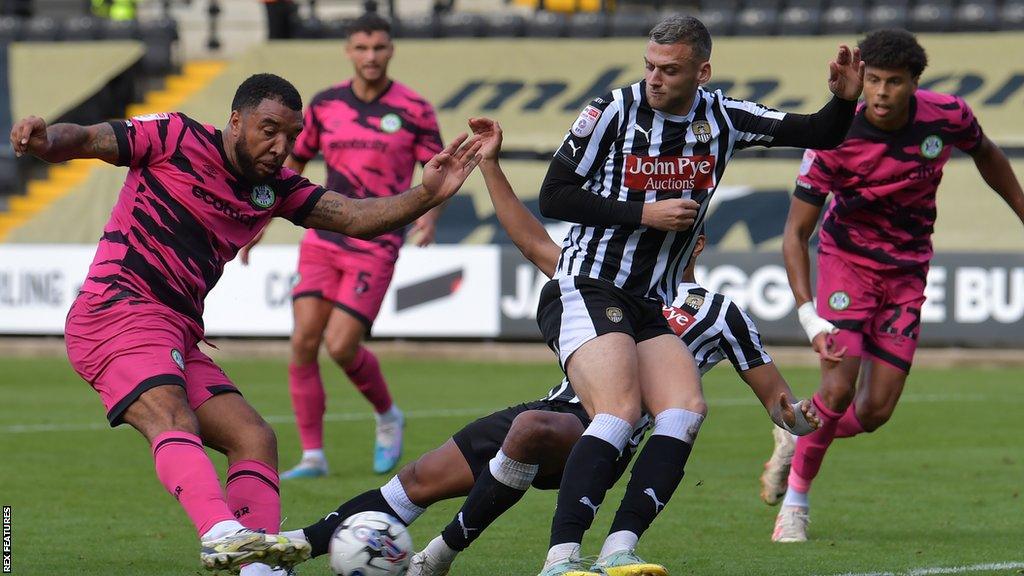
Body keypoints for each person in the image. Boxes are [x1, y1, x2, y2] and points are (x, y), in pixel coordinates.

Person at [279, 116, 819, 576]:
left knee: (531, 429)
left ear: (695, 239)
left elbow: (779, 402)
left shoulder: (720, 312)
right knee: (419, 479)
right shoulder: (600, 278)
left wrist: (803, 416)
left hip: (607, 430)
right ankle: (293, 546)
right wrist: (490, 164)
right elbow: (530, 237)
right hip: (558, 403)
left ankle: (472, 556)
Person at [9, 73, 481, 574]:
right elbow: (87, 139)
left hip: (176, 328)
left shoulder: (273, 189)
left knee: (254, 438)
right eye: (269, 130)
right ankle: (220, 532)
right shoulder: (175, 136)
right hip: (116, 309)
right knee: (172, 417)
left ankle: (257, 565)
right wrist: (46, 140)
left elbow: (357, 217)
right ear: (235, 121)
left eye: (291, 137)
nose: (281, 147)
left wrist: (427, 194)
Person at [532, 13, 863, 575]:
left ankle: (619, 551)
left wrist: (844, 101)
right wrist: (644, 213)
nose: (655, 79)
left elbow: (818, 132)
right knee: (619, 412)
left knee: (685, 411)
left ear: (702, 71)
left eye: (670, 69)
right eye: (650, 66)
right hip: (588, 284)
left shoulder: (724, 117)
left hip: (649, 301)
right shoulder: (611, 111)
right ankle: (561, 559)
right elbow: (554, 196)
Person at [762, 29, 1024, 543]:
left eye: (894, 82)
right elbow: (795, 234)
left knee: (875, 411)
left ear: (914, 83)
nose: (881, 92)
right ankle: (795, 500)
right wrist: (808, 313)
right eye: (874, 80)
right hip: (846, 266)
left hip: (907, 273)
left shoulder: (947, 116)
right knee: (838, 388)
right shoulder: (835, 135)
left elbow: (989, 154)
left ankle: (799, 431)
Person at [240, 13, 444, 478]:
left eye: (378, 48)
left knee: (341, 345)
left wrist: (428, 219)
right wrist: (261, 219)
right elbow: (285, 162)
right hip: (324, 236)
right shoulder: (325, 104)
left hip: (376, 240)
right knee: (303, 342)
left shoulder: (413, 108)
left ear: (390, 50)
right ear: (348, 51)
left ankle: (389, 416)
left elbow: (438, 173)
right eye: (361, 48)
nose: (370, 57)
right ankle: (313, 455)